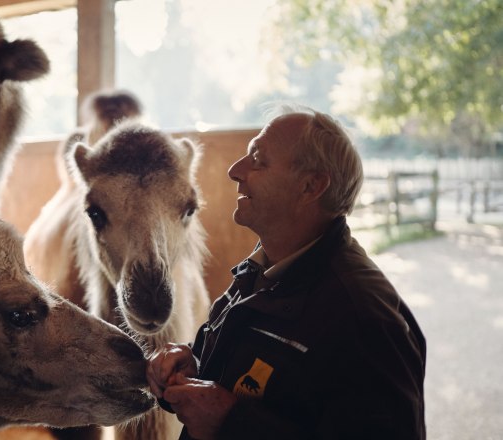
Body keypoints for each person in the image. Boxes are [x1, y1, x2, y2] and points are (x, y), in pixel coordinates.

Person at [146, 104, 426, 439]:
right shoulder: (260, 270)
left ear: (310, 186)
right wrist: (192, 366)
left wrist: (232, 425)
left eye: (258, 160)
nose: (235, 170)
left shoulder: (365, 317)